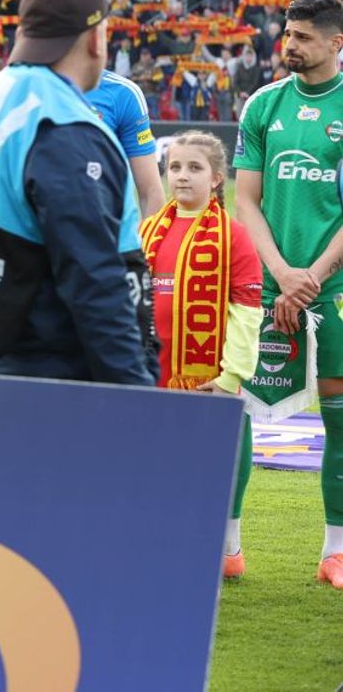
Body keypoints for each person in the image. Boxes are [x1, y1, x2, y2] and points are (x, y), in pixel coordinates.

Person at [0, 0, 157, 385]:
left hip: (1, 343)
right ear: (95, 38)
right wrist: (135, 388)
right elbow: (93, 273)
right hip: (66, 365)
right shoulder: (62, 123)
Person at [233, 0, 343, 588]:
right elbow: (245, 199)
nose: (289, 45)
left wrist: (311, 278)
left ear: (335, 43)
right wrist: (279, 271)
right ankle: (227, 547)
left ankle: (335, 553)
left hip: (335, 289)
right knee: (240, 411)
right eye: (288, 34)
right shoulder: (264, 103)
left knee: (340, 418)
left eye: (302, 36)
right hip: (265, 288)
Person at [142, 131, 261, 578]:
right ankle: (161, 540)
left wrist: (231, 376)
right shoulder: (146, 231)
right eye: (174, 167)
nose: (182, 176)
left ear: (216, 178)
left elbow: (247, 313)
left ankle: (228, 545)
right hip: (151, 374)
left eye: (194, 168)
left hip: (210, 379)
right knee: (156, 465)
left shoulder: (234, 237)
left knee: (218, 461)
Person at [86, 64, 163, 217]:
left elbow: (150, 191)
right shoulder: (35, 85)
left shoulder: (123, 93)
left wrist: (152, 233)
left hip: (104, 228)